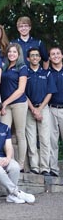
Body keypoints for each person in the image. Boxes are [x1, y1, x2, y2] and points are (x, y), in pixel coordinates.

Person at [25, 48, 57, 176]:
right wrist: (33, 108)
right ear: (28, 58)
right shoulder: (25, 74)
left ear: (40, 58)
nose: (34, 57)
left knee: (45, 139)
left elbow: (50, 93)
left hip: (43, 108)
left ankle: (45, 167)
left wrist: (39, 109)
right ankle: (34, 166)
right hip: (29, 109)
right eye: (32, 56)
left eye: (37, 56)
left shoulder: (47, 73)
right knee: (31, 139)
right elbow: (23, 93)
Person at [0, 44, 28, 171]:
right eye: (9, 52)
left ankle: (21, 164)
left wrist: (5, 103)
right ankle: (8, 160)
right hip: (6, 105)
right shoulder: (5, 67)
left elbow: (21, 90)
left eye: (14, 52)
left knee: (20, 134)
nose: (11, 54)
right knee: (5, 133)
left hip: (18, 104)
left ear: (19, 53)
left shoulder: (22, 67)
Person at [48, 46, 63, 177]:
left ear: (62, 55)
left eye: (58, 53)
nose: (56, 56)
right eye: (53, 54)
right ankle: (53, 169)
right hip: (51, 109)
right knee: (52, 141)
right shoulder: (47, 72)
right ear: (50, 57)